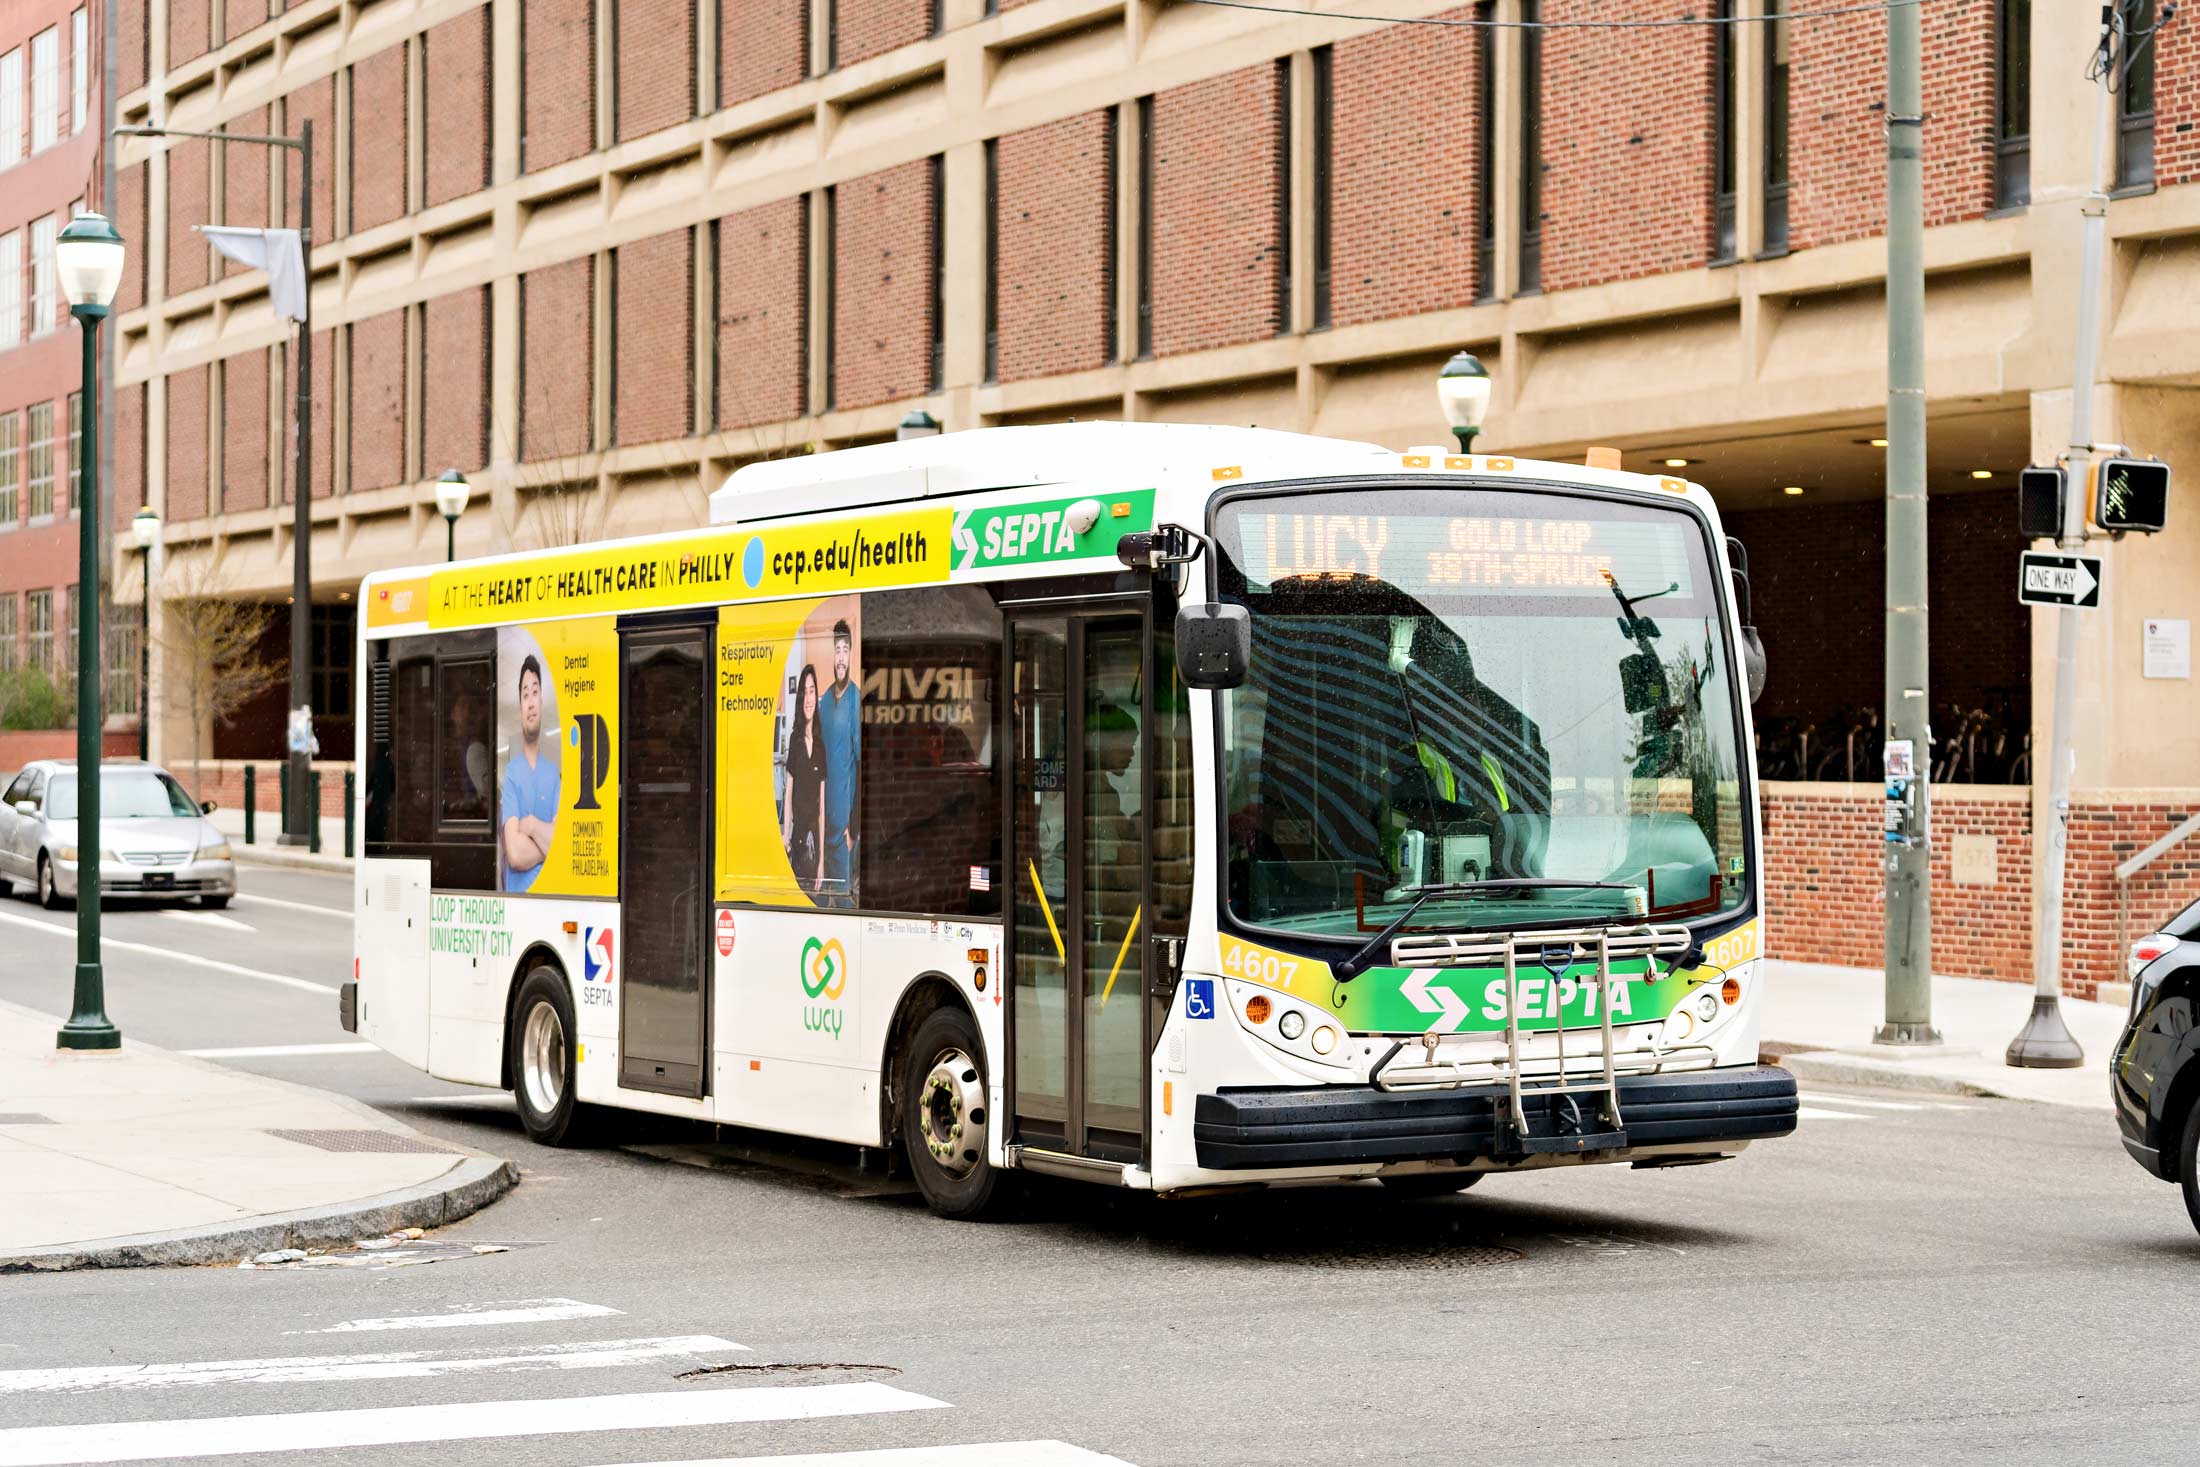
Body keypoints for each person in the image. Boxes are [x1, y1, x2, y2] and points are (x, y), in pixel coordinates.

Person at [501, 656, 562, 892]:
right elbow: (514, 855)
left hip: (551, 897)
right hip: (519, 902)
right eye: (524, 695)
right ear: (520, 709)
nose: (530, 702)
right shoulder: (512, 773)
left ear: (542, 701)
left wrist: (533, 826)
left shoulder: (553, 774)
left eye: (535, 692)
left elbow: (560, 848)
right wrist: (547, 848)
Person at [817, 618, 861, 904]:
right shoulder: (822, 702)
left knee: (844, 909)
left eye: (845, 649)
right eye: (837, 650)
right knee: (817, 907)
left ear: (851, 654)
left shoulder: (856, 699)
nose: (841, 657)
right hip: (822, 834)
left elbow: (862, 765)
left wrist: (853, 831)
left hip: (843, 837)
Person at [782, 664, 826, 890]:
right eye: (805, 692)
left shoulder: (820, 745)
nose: (809, 698)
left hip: (815, 846)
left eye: (812, 690)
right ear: (800, 698)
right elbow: (788, 795)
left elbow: (822, 809)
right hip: (797, 843)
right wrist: (786, 835)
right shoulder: (794, 740)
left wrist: (821, 863)